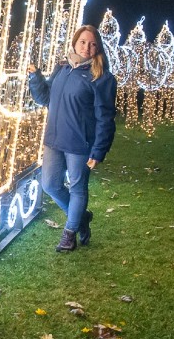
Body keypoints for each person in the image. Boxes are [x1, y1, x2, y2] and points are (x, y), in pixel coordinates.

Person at [28, 25, 117, 252]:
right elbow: (45, 98)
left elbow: (105, 118)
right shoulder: (62, 68)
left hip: (80, 143)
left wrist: (99, 150)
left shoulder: (101, 78)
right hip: (54, 140)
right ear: (75, 43)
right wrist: (35, 77)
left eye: (92, 44)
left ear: (98, 48)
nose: (87, 47)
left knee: (77, 188)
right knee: (50, 184)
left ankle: (69, 234)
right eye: (83, 42)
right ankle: (81, 218)